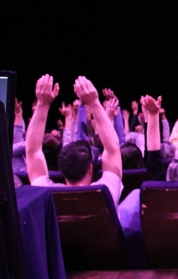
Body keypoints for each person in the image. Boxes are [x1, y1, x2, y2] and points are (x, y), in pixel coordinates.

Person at [26, 75, 123, 207]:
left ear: (61, 170)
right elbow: (112, 149)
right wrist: (94, 101)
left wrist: (42, 104)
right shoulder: (107, 193)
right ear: (90, 169)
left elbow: (32, 151)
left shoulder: (45, 194)